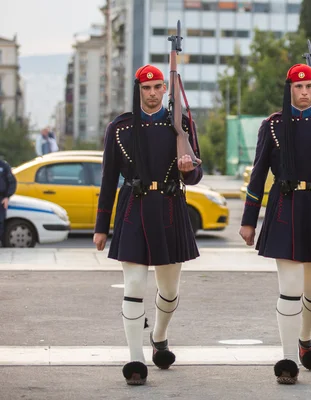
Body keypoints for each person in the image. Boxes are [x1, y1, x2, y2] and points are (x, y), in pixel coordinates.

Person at [239, 64, 311, 385]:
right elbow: (258, 174)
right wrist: (249, 221)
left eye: (310, 87)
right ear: (289, 88)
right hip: (285, 208)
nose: (305, 92)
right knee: (290, 290)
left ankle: (306, 338)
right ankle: (288, 358)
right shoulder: (273, 126)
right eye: (299, 87)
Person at [93, 64, 202, 386]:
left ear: (165, 90)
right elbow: (108, 178)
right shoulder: (120, 128)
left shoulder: (180, 125)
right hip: (133, 208)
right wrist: (101, 227)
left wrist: (187, 168)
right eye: (146, 88)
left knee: (169, 291)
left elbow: (196, 176)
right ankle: (135, 360)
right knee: (134, 287)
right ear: (138, 90)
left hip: (170, 207)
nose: (152, 93)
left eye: (157, 88)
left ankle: (159, 334)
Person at [0, 156, 17, 247]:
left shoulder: (3, 166)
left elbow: (12, 182)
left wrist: (7, 197)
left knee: (0, 222)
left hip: (1, 198)